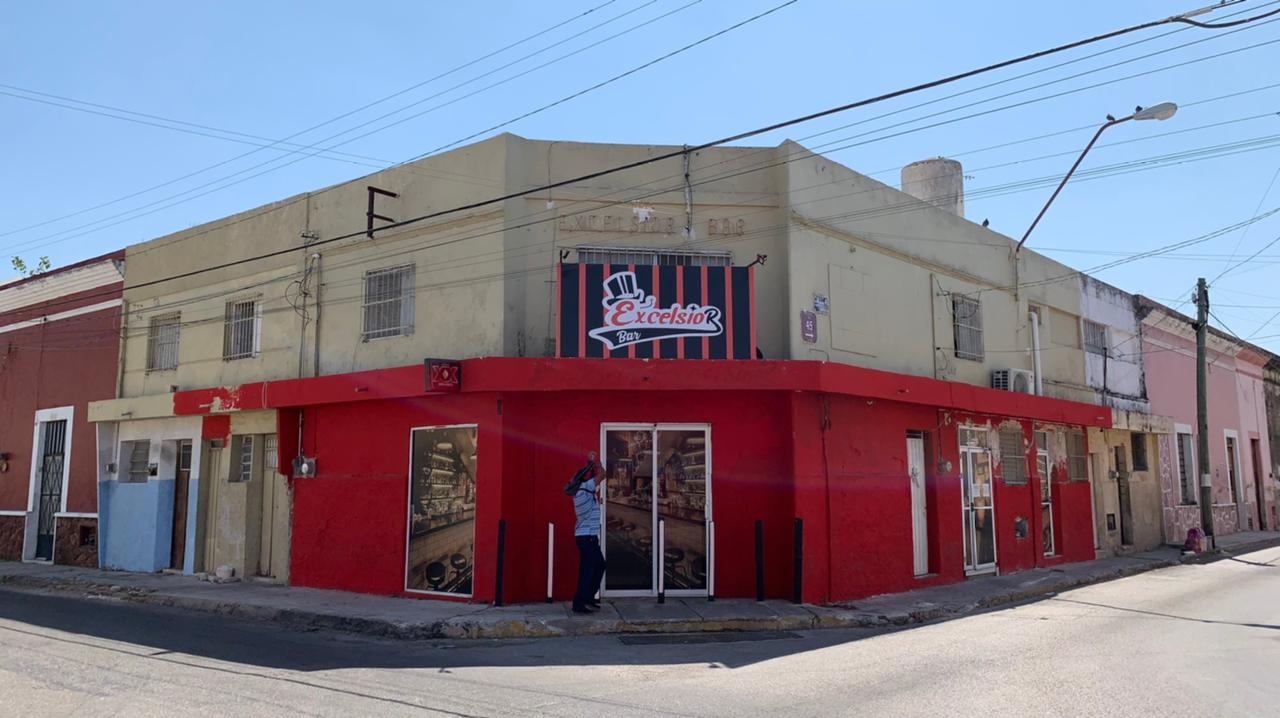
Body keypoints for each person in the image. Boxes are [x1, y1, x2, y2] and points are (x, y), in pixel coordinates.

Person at [572, 459, 607, 614]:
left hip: (587, 537)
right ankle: (579, 602)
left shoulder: (583, 491)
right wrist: (596, 462)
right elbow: (603, 474)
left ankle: (587, 597)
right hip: (587, 538)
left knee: (597, 566)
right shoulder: (584, 489)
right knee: (589, 569)